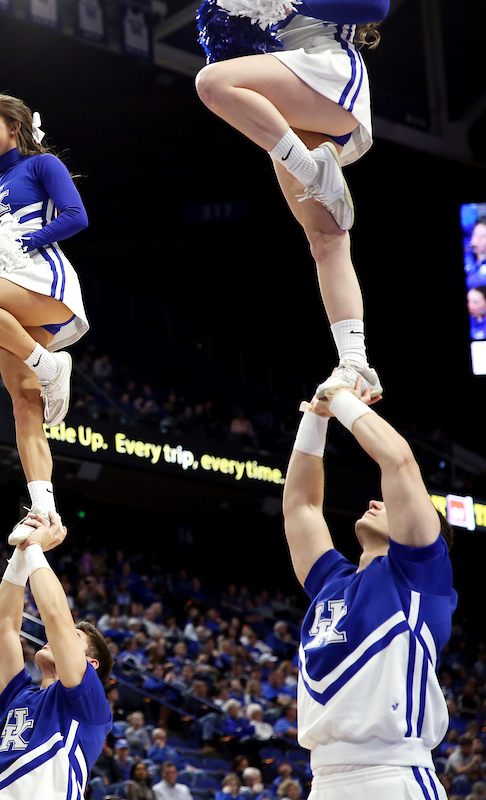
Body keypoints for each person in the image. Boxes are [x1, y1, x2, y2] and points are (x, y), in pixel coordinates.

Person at [195, 0, 387, 400]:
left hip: (325, 72)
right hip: (289, 94)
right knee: (325, 239)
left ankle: (309, 169)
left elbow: (376, 4)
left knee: (212, 83)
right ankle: (356, 364)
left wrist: (297, 0)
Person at [284, 378, 458, 799]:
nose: (378, 502)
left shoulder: (419, 577)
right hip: (323, 780)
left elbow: (398, 462)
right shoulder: (331, 583)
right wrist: (316, 418)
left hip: (392, 774)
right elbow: (300, 507)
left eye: (392, 505)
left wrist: (340, 394)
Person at [0, 94, 90, 543]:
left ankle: (52, 365)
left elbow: (77, 216)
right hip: (10, 289)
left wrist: (28, 243)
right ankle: (45, 512)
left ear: (14, 125)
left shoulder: (41, 164)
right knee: (24, 405)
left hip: (40, 277)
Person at [0, 512, 112, 798]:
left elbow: (55, 618)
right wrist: (18, 558)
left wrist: (35, 549)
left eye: (72, 638)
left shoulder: (89, 705)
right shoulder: (19, 695)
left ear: (90, 665)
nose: (53, 640)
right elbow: (3, 628)